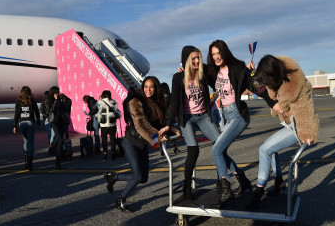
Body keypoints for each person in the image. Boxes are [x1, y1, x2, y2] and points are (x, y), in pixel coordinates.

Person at [158, 46, 242, 201]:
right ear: (186, 60)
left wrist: (243, 69)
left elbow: (220, 77)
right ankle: (187, 187)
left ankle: (228, 182)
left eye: (198, 57)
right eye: (193, 58)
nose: (197, 61)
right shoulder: (178, 77)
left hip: (203, 116)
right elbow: (175, 102)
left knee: (220, 146)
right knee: (194, 150)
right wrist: (168, 124)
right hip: (187, 118)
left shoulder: (203, 71)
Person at [206, 40, 278, 207]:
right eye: (213, 54)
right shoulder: (214, 72)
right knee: (221, 152)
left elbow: (256, 86)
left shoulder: (237, 69)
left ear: (224, 53)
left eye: (219, 53)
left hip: (238, 115)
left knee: (216, 149)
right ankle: (243, 180)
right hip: (225, 115)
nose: (216, 57)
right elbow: (195, 69)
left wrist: (272, 103)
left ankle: (226, 190)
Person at [245, 55, 319, 210]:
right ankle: (279, 182)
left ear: (272, 75)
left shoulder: (296, 83)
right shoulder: (277, 75)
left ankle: (259, 191)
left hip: (299, 127)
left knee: (264, 149)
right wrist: (252, 72)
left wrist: (308, 133)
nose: (266, 84)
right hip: (290, 124)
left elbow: (306, 108)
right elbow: (258, 85)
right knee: (269, 148)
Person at [104, 76, 180, 212]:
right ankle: (121, 199)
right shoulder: (136, 101)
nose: (148, 90)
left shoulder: (156, 102)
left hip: (143, 143)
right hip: (131, 142)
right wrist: (158, 137)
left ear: (156, 88)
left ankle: (113, 177)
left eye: (151, 87)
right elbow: (141, 124)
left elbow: (159, 124)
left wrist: (171, 130)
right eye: (146, 87)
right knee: (138, 176)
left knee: (143, 178)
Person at [13, 86, 40, 171]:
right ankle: (30, 164)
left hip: (22, 123)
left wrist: (14, 125)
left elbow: (16, 113)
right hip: (31, 122)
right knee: (31, 142)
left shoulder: (18, 101)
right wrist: (38, 122)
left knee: (25, 141)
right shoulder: (33, 100)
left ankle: (25, 162)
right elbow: (37, 112)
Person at [45, 86, 66, 169]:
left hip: (61, 121)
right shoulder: (48, 101)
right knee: (60, 139)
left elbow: (64, 109)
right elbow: (51, 111)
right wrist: (56, 100)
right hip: (54, 122)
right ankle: (58, 161)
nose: (58, 93)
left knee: (60, 140)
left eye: (59, 92)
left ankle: (59, 158)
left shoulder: (59, 100)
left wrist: (62, 101)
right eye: (57, 92)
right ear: (53, 93)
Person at [97, 90, 121, 160]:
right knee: (112, 139)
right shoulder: (113, 102)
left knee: (104, 140)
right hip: (112, 124)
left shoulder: (100, 102)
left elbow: (98, 113)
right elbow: (117, 112)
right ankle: (113, 154)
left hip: (103, 125)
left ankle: (105, 154)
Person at [40, 90, 55, 155]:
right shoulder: (48, 102)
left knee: (50, 135)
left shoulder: (43, 102)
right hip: (49, 119)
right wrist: (49, 117)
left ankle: (51, 148)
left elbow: (42, 111)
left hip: (47, 119)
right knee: (52, 135)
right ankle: (51, 148)